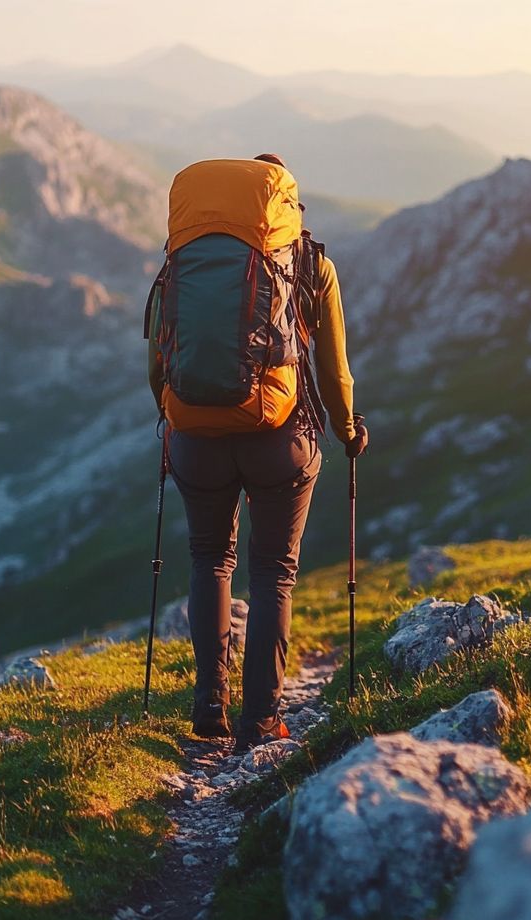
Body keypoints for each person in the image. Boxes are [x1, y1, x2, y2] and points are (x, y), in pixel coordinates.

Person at [148, 153, 368, 753]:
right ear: (285, 205)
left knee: (208, 559)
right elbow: (334, 371)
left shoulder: (184, 266)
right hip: (279, 439)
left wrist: (173, 421)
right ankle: (262, 717)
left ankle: (208, 703)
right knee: (273, 572)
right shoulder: (313, 265)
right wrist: (349, 431)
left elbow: (159, 361)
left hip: (196, 433)